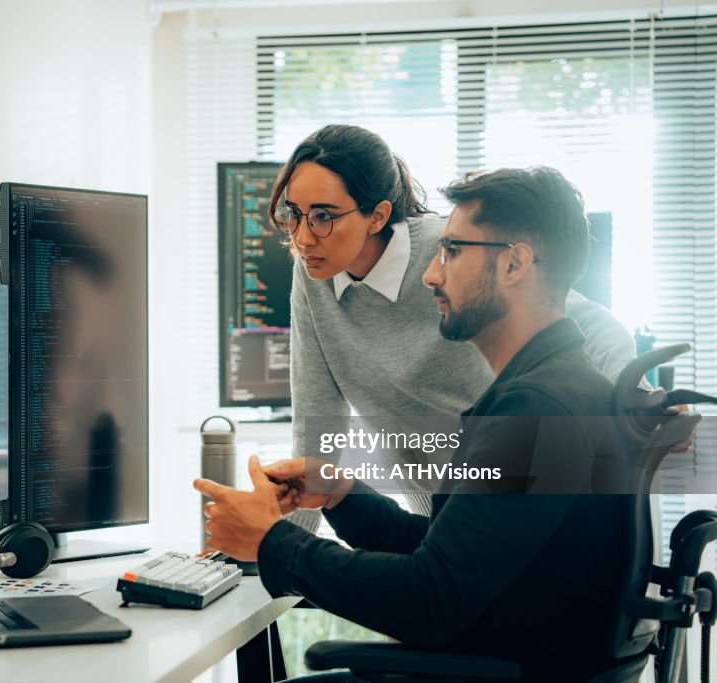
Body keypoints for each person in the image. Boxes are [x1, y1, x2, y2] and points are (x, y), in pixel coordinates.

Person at [195, 167, 633, 680]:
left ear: (514, 264)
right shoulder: (552, 391)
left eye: (452, 252)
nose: (430, 275)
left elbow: (430, 598)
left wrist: (271, 541)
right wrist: (342, 495)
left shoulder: (533, 411)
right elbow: (450, 556)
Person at [272, 124, 635, 514]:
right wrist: (272, 540)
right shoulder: (314, 274)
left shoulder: (449, 250)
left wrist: (634, 397)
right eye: (294, 214)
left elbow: (584, 320)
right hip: (435, 508)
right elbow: (317, 419)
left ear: (376, 216)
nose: (303, 237)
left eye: (323, 216)